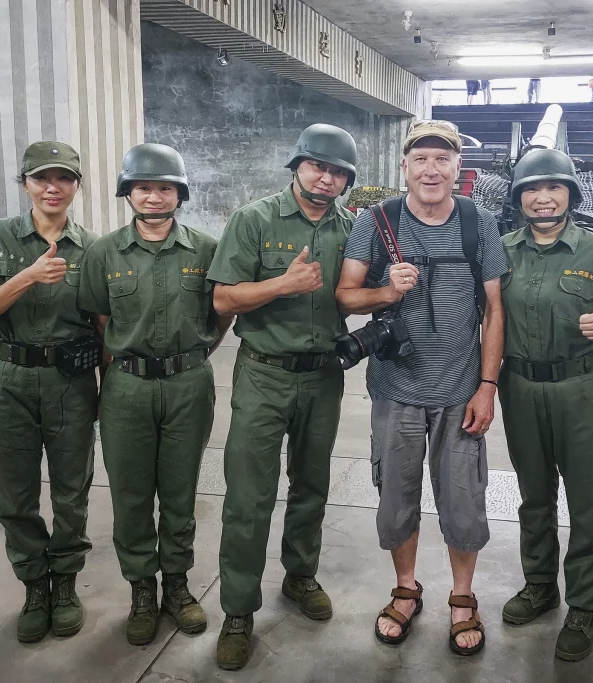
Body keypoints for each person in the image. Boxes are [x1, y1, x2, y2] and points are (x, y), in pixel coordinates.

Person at [335, 119, 507, 657]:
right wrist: (385, 293)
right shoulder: (375, 220)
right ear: (405, 166)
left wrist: (487, 385)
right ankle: (406, 589)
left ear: (458, 168)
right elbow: (345, 295)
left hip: (460, 391)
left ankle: (463, 596)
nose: (431, 169)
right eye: (421, 159)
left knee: (464, 499)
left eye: (442, 159)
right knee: (397, 496)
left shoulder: (479, 223)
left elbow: (494, 310)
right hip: (396, 388)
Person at [209, 123, 357, 671]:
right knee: (249, 495)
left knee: (311, 485)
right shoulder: (254, 220)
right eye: (317, 166)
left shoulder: (352, 228)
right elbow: (224, 299)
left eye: (338, 172)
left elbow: (356, 294)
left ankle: (300, 576)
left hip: (324, 376)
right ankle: (238, 611)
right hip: (264, 373)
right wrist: (281, 285)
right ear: (297, 166)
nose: (326, 178)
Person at [77, 143, 232, 646]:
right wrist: (121, 371)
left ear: (179, 194)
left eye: (165, 188)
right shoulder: (104, 252)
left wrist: (195, 355)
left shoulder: (206, 250)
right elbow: (101, 320)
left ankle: (177, 588)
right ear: (128, 192)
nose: (153, 196)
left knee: (181, 492)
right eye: (143, 187)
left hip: (189, 384)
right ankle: (142, 590)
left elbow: (222, 312)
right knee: (131, 495)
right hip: (127, 386)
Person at [0, 141, 100, 643]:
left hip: (70, 380)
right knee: (14, 490)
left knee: (72, 487)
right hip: (8, 377)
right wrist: (28, 276)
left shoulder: (93, 248)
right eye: (41, 178)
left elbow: (103, 324)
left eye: (64, 178)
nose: (53, 188)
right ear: (26, 183)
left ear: (76, 185)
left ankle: (65, 583)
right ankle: (35, 584)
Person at [498, 148, 593, 661]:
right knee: (533, 495)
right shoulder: (501, 250)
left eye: (554, 187)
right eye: (532, 189)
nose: (543, 198)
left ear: (570, 194)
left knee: (588, 501)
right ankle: (540, 585)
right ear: (519, 197)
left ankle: (584, 606)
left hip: (582, 389)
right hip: (519, 387)